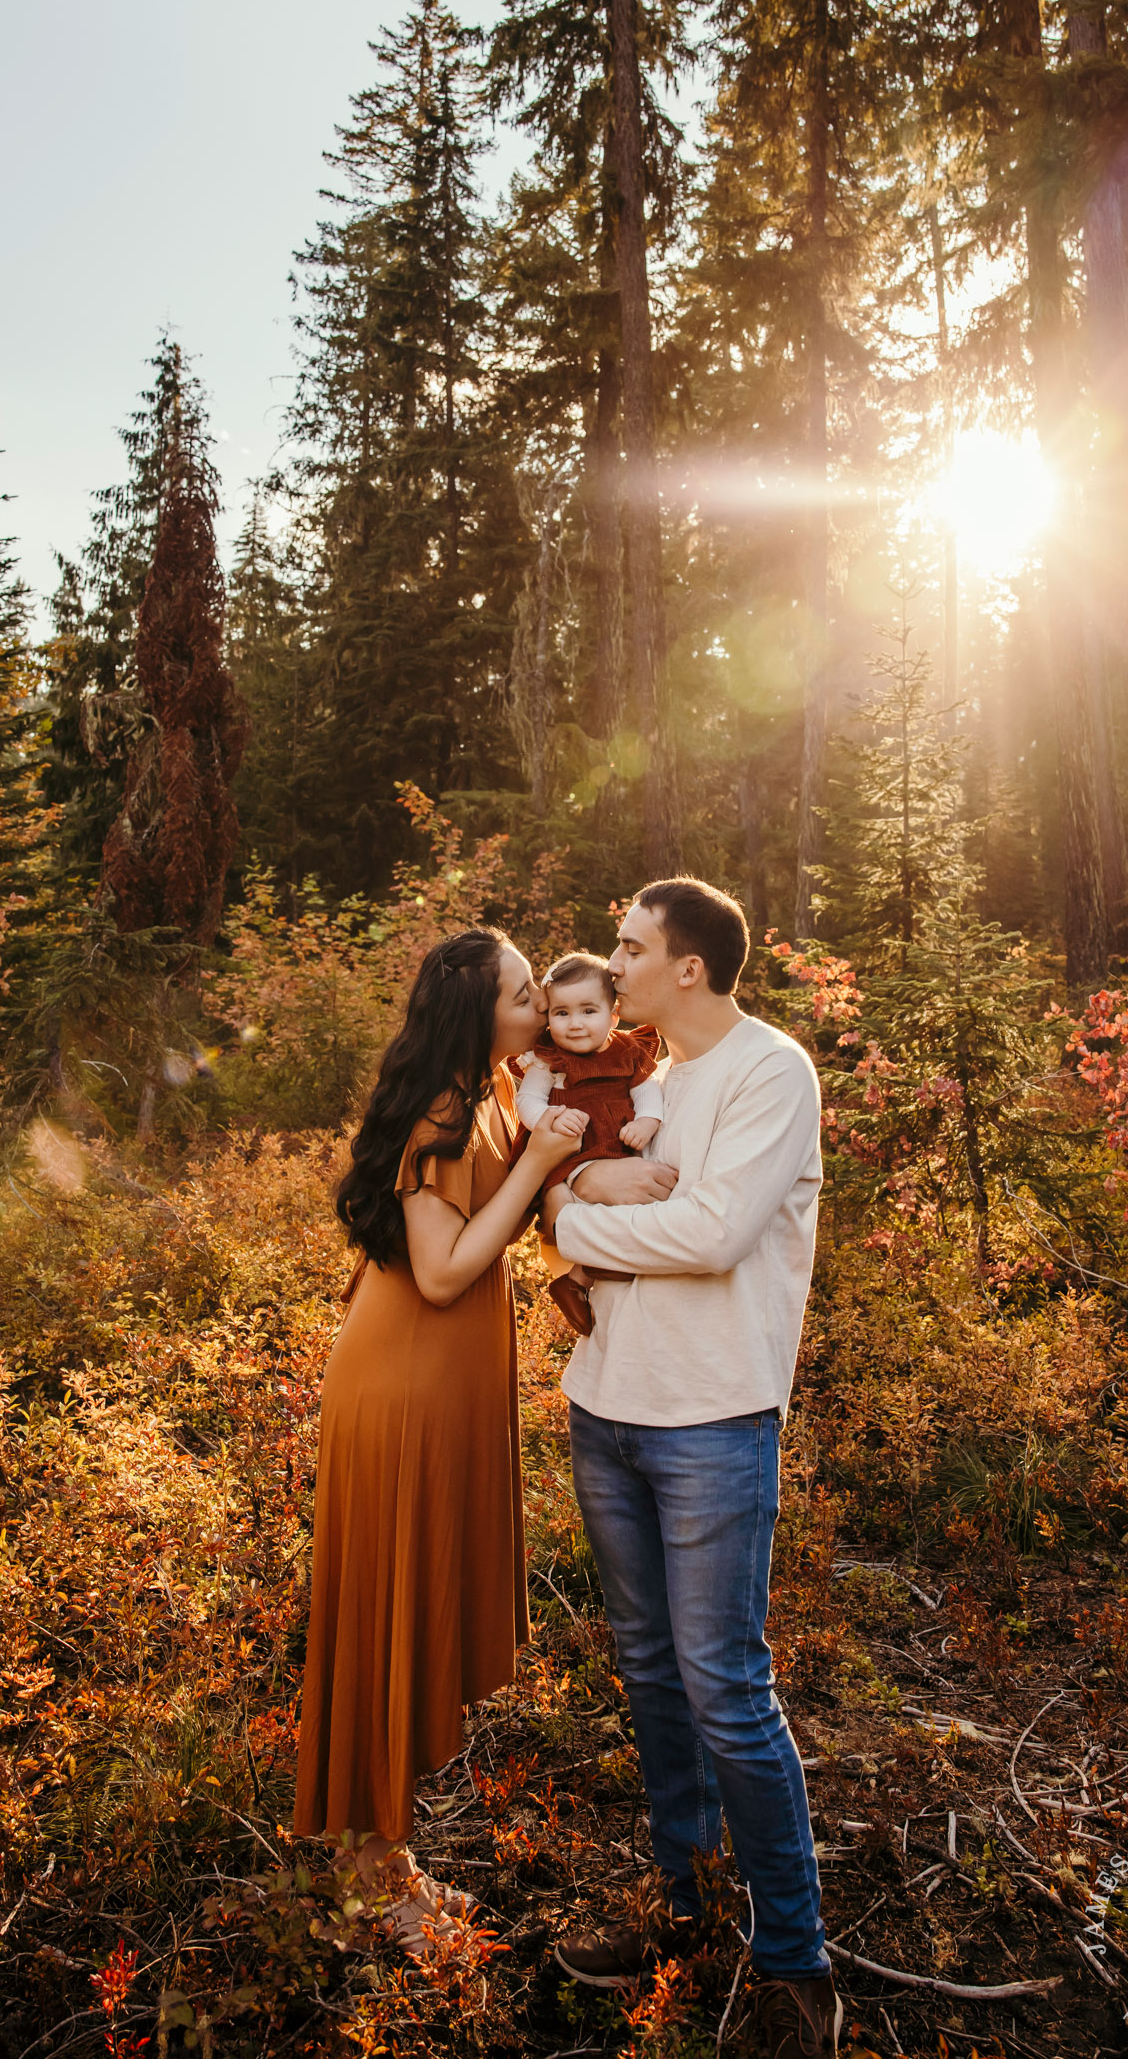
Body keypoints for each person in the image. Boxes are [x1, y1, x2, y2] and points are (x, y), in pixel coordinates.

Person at [541, 878, 841, 2059]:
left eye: (627, 948)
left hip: (713, 1419)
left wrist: (570, 1220)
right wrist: (572, 1196)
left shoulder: (770, 1073)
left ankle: (794, 1965)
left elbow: (712, 1237)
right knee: (651, 1677)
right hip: (603, 1410)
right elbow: (569, 1184)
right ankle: (684, 1908)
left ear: (689, 967)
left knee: (724, 1686)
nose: (609, 968)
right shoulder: (645, 1081)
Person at [291, 928, 587, 1949]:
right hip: (403, 1382)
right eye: (521, 992)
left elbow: (605, 1053)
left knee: (411, 1604)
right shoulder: (443, 1110)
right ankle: (370, 1884)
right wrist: (538, 1160)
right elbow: (444, 1272)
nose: (538, 1002)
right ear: (477, 1010)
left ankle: (380, 1858)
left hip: (438, 1379)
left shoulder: (498, 1086)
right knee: (386, 1610)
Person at [511, 950, 663, 1338]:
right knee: (585, 1219)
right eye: (561, 1013)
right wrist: (550, 1120)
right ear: (549, 1018)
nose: (574, 1024)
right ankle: (576, 1275)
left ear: (613, 1015)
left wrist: (647, 1120)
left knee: (627, 1225)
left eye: (588, 1011)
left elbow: (646, 1091)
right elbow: (527, 1101)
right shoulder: (549, 1060)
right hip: (570, 1153)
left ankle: (576, 1281)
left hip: (616, 1148)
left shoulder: (627, 1051)